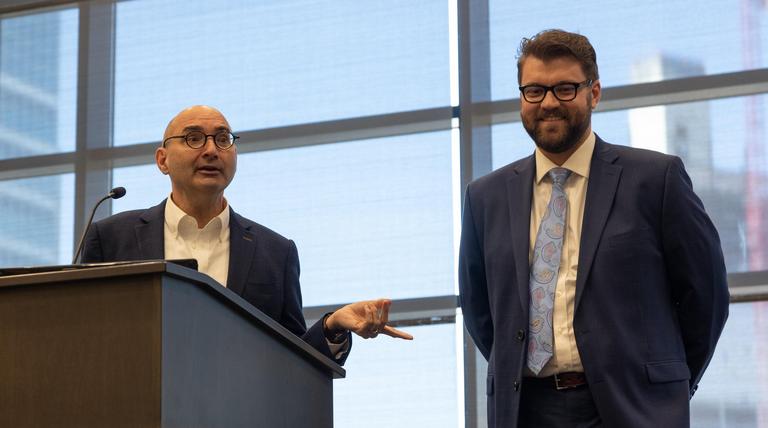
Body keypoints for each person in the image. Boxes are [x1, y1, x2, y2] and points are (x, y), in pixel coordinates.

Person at [458, 29, 729, 427]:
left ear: (594, 92)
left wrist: (664, 386)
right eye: (534, 90)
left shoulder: (656, 179)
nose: (548, 102)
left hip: (633, 409)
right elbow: (482, 314)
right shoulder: (485, 198)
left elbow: (706, 297)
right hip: (525, 412)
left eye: (565, 88)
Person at [82, 105, 412, 365]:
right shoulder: (110, 238)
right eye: (194, 138)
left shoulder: (275, 252)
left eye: (223, 139)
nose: (211, 150)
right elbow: (85, 339)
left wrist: (333, 326)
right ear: (162, 160)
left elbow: (293, 356)